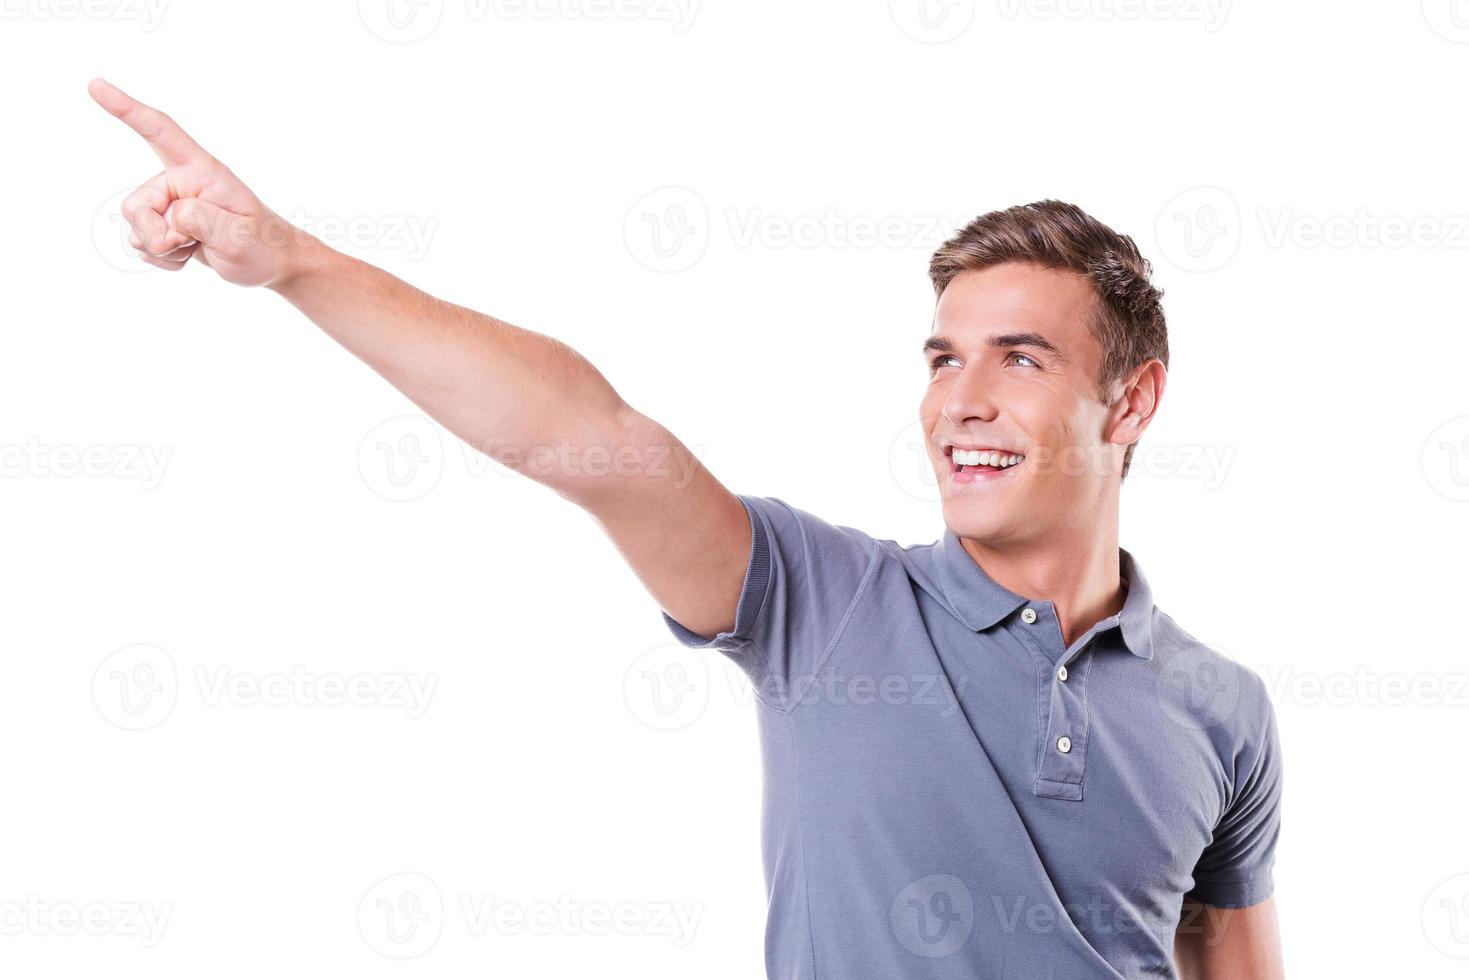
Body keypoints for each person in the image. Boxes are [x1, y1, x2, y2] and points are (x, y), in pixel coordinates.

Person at [88, 77, 1285, 979]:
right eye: (940, 358)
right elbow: (582, 428)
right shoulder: (825, 601)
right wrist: (290, 259)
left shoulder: (1220, 707)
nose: (955, 399)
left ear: (1128, 398)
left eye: (1017, 358)